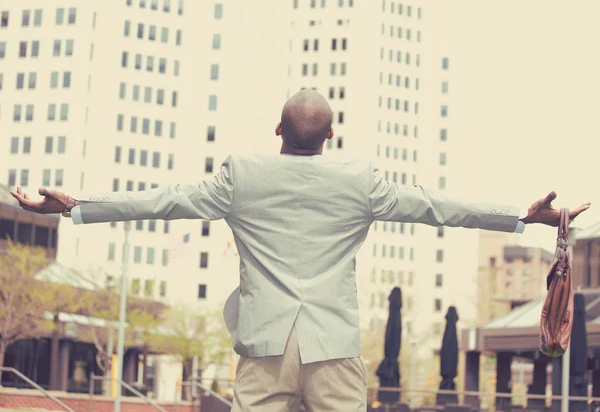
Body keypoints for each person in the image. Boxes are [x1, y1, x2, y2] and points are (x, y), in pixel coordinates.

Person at [11, 90, 590, 411]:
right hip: (332, 347)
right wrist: (522, 216)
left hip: (264, 349)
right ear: (330, 136)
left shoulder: (241, 176)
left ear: (277, 131)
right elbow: (439, 206)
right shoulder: (361, 180)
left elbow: (162, 200)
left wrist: (72, 205)